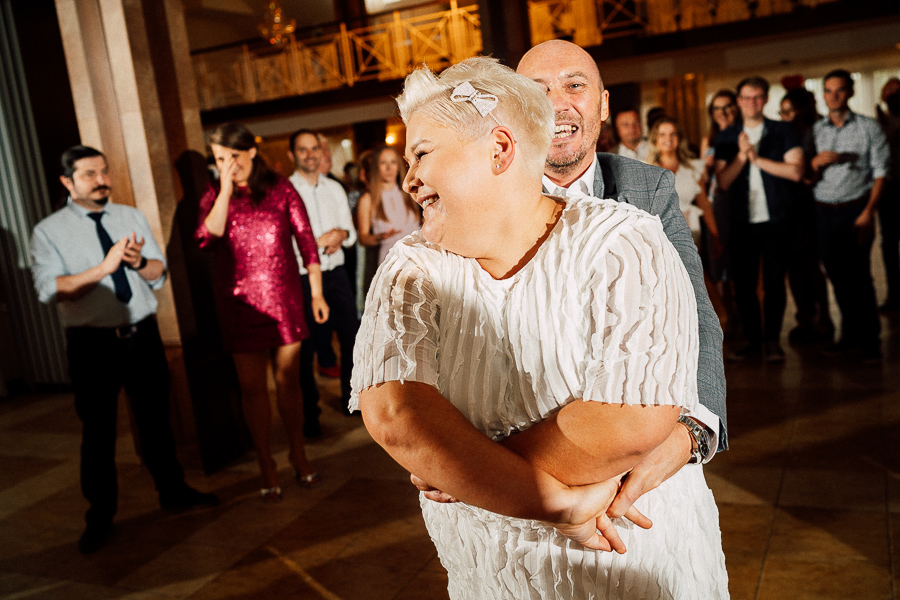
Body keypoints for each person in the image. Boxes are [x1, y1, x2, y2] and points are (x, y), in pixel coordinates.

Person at [353, 56, 728, 599]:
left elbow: (630, 420)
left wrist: (457, 465)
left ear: (500, 148)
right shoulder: (411, 265)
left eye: (422, 154)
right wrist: (560, 502)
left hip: (626, 550)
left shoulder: (624, 239)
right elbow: (395, 414)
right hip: (489, 570)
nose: (409, 179)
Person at [514, 39, 727, 514]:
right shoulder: (487, 197)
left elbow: (696, 314)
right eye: (537, 90)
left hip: (645, 449)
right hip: (528, 457)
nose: (557, 104)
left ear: (604, 104)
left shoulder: (648, 188)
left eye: (574, 85)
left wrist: (692, 432)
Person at [30, 145, 218, 554]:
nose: (102, 181)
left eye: (104, 171)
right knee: (98, 430)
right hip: (91, 344)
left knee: (156, 420)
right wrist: (105, 267)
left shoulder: (129, 216)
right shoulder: (48, 231)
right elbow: (50, 288)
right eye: (89, 174)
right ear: (67, 182)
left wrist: (135, 264)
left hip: (142, 335)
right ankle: (100, 514)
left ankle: (172, 490)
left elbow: (158, 272)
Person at [196, 123, 328, 501]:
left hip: (284, 301)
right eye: (220, 158)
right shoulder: (214, 193)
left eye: (234, 156)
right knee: (252, 390)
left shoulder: (281, 188)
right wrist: (224, 189)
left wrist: (317, 294)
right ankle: (266, 463)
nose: (228, 164)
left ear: (251, 151)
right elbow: (205, 239)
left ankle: (298, 454)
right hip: (240, 305)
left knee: (289, 383)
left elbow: (307, 243)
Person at [715, 76, 804, 363]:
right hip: (742, 221)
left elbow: (796, 172)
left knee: (775, 283)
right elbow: (723, 181)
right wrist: (742, 157)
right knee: (744, 284)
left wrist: (757, 159)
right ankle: (752, 339)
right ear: (738, 101)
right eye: (746, 97)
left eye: (757, 97)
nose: (751, 102)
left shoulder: (783, 130)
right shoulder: (727, 136)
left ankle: (772, 341)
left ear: (765, 99)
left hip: (778, 218)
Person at [809, 69, 890, 363]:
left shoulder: (868, 127)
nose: (833, 96)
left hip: (856, 209)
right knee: (837, 276)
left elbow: (881, 172)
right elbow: (806, 173)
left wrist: (869, 212)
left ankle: (870, 341)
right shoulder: (816, 130)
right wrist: (815, 163)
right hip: (824, 211)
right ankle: (849, 335)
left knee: (860, 276)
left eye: (839, 90)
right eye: (828, 91)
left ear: (850, 92)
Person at [288, 129, 360, 427]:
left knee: (352, 338)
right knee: (305, 348)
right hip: (303, 277)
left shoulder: (334, 188)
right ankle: (310, 414)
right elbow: (282, 245)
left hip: (337, 274)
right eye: (303, 149)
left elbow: (350, 233)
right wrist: (316, 243)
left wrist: (340, 234)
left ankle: (351, 400)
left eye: (315, 148)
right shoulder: (285, 192)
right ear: (292, 154)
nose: (310, 154)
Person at [780, 88, 835, 343]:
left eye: (789, 111)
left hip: (810, 204)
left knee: (811, 264)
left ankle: (824, 317)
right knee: (793, 266)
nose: (785, 116)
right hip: (787, 204)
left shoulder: (815, 131)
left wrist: (810, 168)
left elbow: (812, 173)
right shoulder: (783, 133)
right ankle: (804, 317)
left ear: (802, 109)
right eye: (782, 111)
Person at [648, 116, 720, 248]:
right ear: (655, 139)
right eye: (662, 134)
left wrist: (715, 236)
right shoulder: (645, 169)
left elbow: (704, 204)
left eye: (673, 134)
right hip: (657, 235)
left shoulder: (693, 168)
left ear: (679, 138)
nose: (668, 139)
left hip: (690, 231)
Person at [356, 145, 421, 272]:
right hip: (392, 263)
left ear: (398, 166)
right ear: (376, 167)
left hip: (419, 259)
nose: (389, 168)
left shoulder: (410, 193)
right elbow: (363, 238)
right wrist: (381, 237)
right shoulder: (368, 199)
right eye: (383, 163)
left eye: (393, 162)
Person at [877, 82, 900, 311]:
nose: (894, 95)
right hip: (889, 189)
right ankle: (894, 294)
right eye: (890, 91)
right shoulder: (878, 123)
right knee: (889, 244)